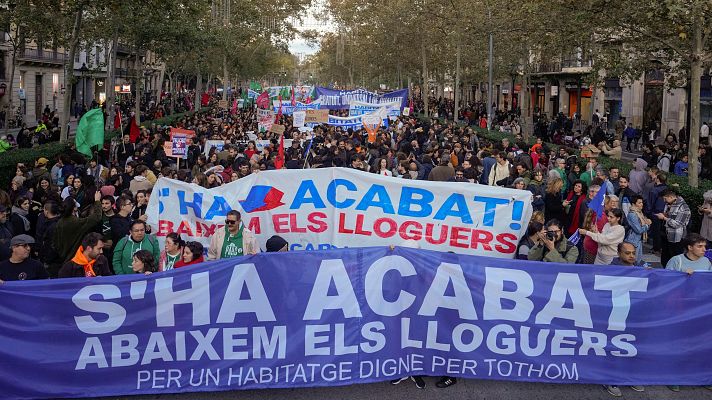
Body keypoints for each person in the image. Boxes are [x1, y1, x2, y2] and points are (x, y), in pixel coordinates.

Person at [54, 192, 102, 262]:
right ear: (74, 208)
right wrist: (97, 201)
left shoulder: (59, 222)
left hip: (63, 258)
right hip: (75, 258)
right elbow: (97, 217)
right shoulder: (76, 222)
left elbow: (55, 243)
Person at [655, 189, 691, 266]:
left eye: (665, 198)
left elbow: (677, 224)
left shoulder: (683, 207)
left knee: (675, 258)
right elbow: (670, 216)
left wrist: (664, 218)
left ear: (671, 197)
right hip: (666, 235)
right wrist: (665, 215)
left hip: (676, 238)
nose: (664, 201)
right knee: (665, 258)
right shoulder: (668, 204)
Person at [625, 195, 651, 265]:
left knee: (637, 261)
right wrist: (647, 225)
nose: (641, 204)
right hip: (632, 240)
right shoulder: (632, 214)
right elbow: (638, 230)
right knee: (633, 261)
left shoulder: (639, 213)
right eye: (639, 203)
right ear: (634, 204)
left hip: (637, 240)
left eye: (642, 202)